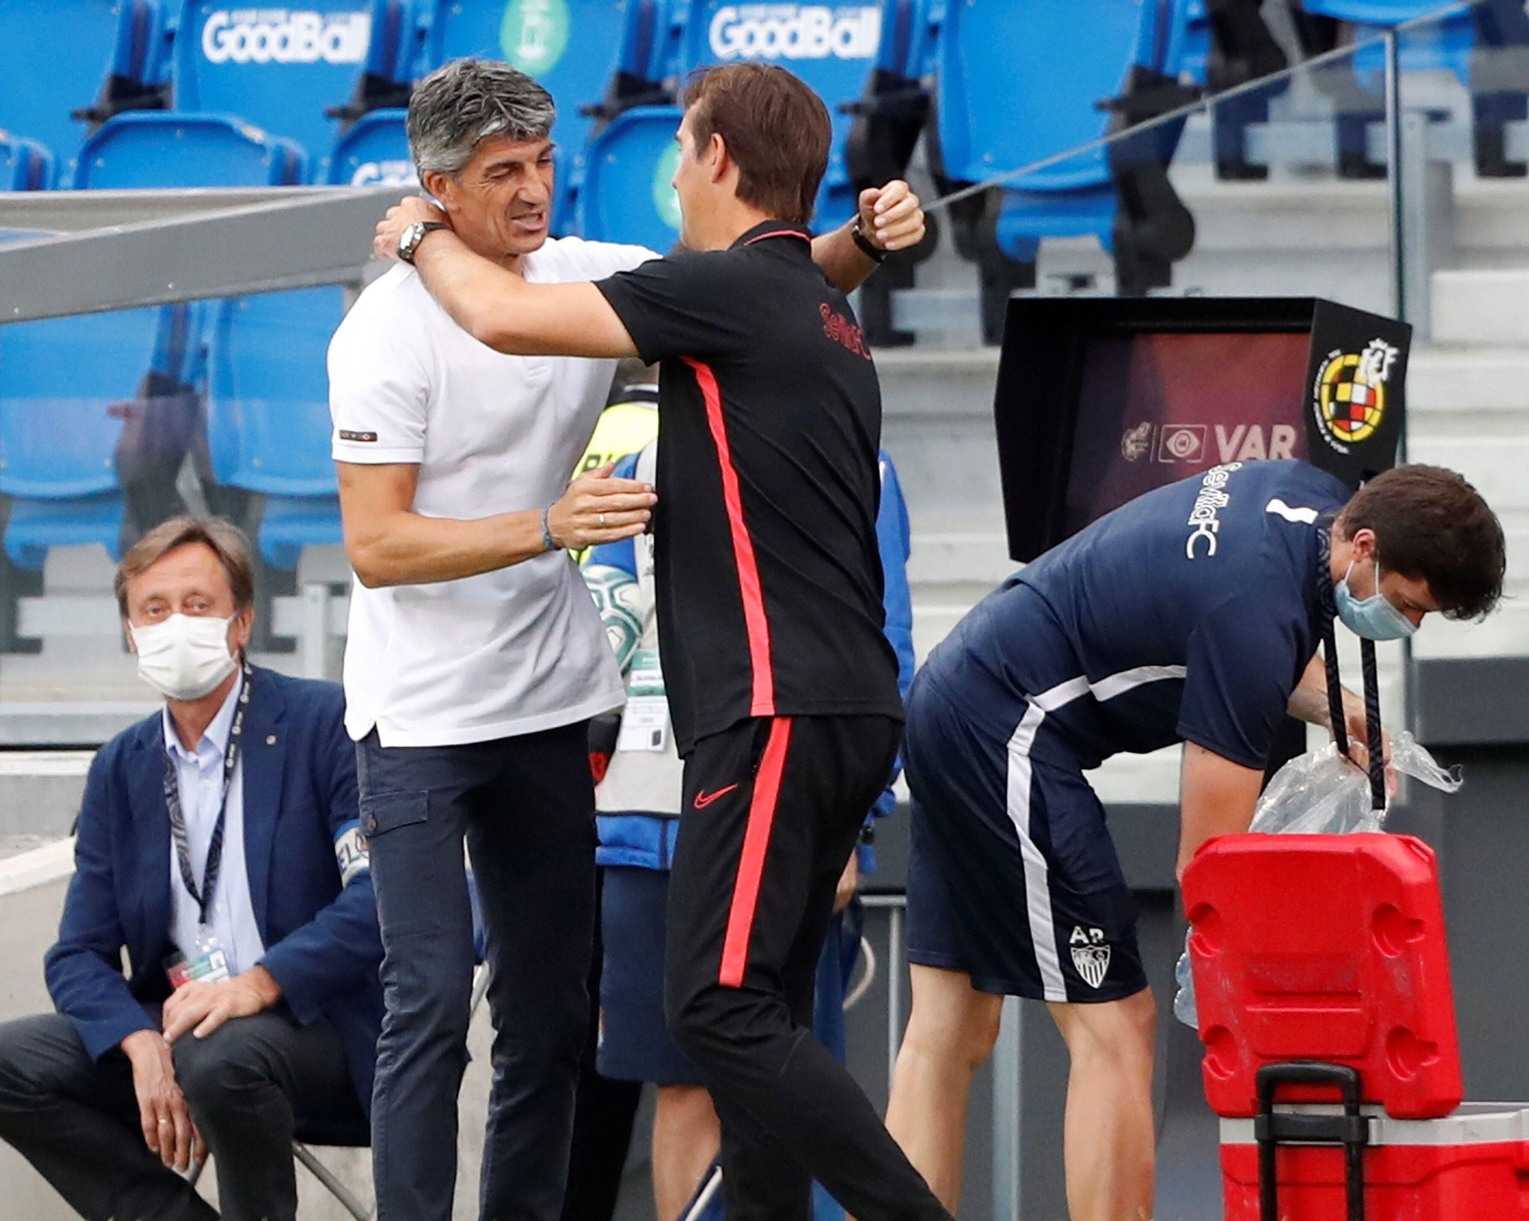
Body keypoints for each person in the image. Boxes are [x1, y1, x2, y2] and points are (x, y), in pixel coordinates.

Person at [333, 57, 927, 1221]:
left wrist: (413, 240)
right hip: (421, 715)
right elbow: (376, 547)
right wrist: (543, 527)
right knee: (433, 1006)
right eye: (502, 172)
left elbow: (759, 289)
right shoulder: (380, 337)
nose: (535, 191)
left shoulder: (611, 278)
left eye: (545, 163)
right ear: (439, 183)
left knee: (589, 1016)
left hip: (594, 706)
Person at [886, 460, 1506, 1221]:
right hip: (1007, 731)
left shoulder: (1310, 500)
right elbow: (1209, 869)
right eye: (1408, 605)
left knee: (947, 1028)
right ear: (1368, 545)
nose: (1406, 627)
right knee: (1116, 1026)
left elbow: (1234, 630)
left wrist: (1337, 705)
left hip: (956, 696)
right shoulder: (1255, 616)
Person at [0, 516, 383, 1221]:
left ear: (241, 622)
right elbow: (77, 952)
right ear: (130, 632)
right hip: (185, 1031)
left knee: (223, 1054)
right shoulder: (122, 766)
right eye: (154, 609)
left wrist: (258, 983)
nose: (174, 624)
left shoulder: (323, 722)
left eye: (198, 604)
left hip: (317, 1027)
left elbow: (377, 898)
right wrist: (138, 1039)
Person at [574, 388, 917, 1221]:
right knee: (692, 1082)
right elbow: (593, 629)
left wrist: (854, 823)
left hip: (783, 809)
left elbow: (887, 643)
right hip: (650, 816)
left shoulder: (860, 462)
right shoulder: (634, 450)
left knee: (774, 1084)